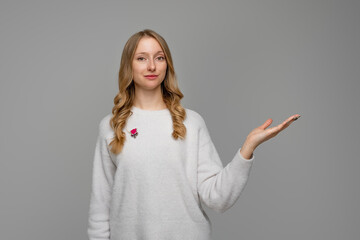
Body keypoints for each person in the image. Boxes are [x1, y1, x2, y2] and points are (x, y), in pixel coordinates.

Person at [87, 29, 300, 240]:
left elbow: (217, 198)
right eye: (141, 58)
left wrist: (248, 148)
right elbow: (101, 204)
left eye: (159, 58)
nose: (152, 66)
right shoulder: (111, 126)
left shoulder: (191, 122)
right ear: (128, 66)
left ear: (167, 64)